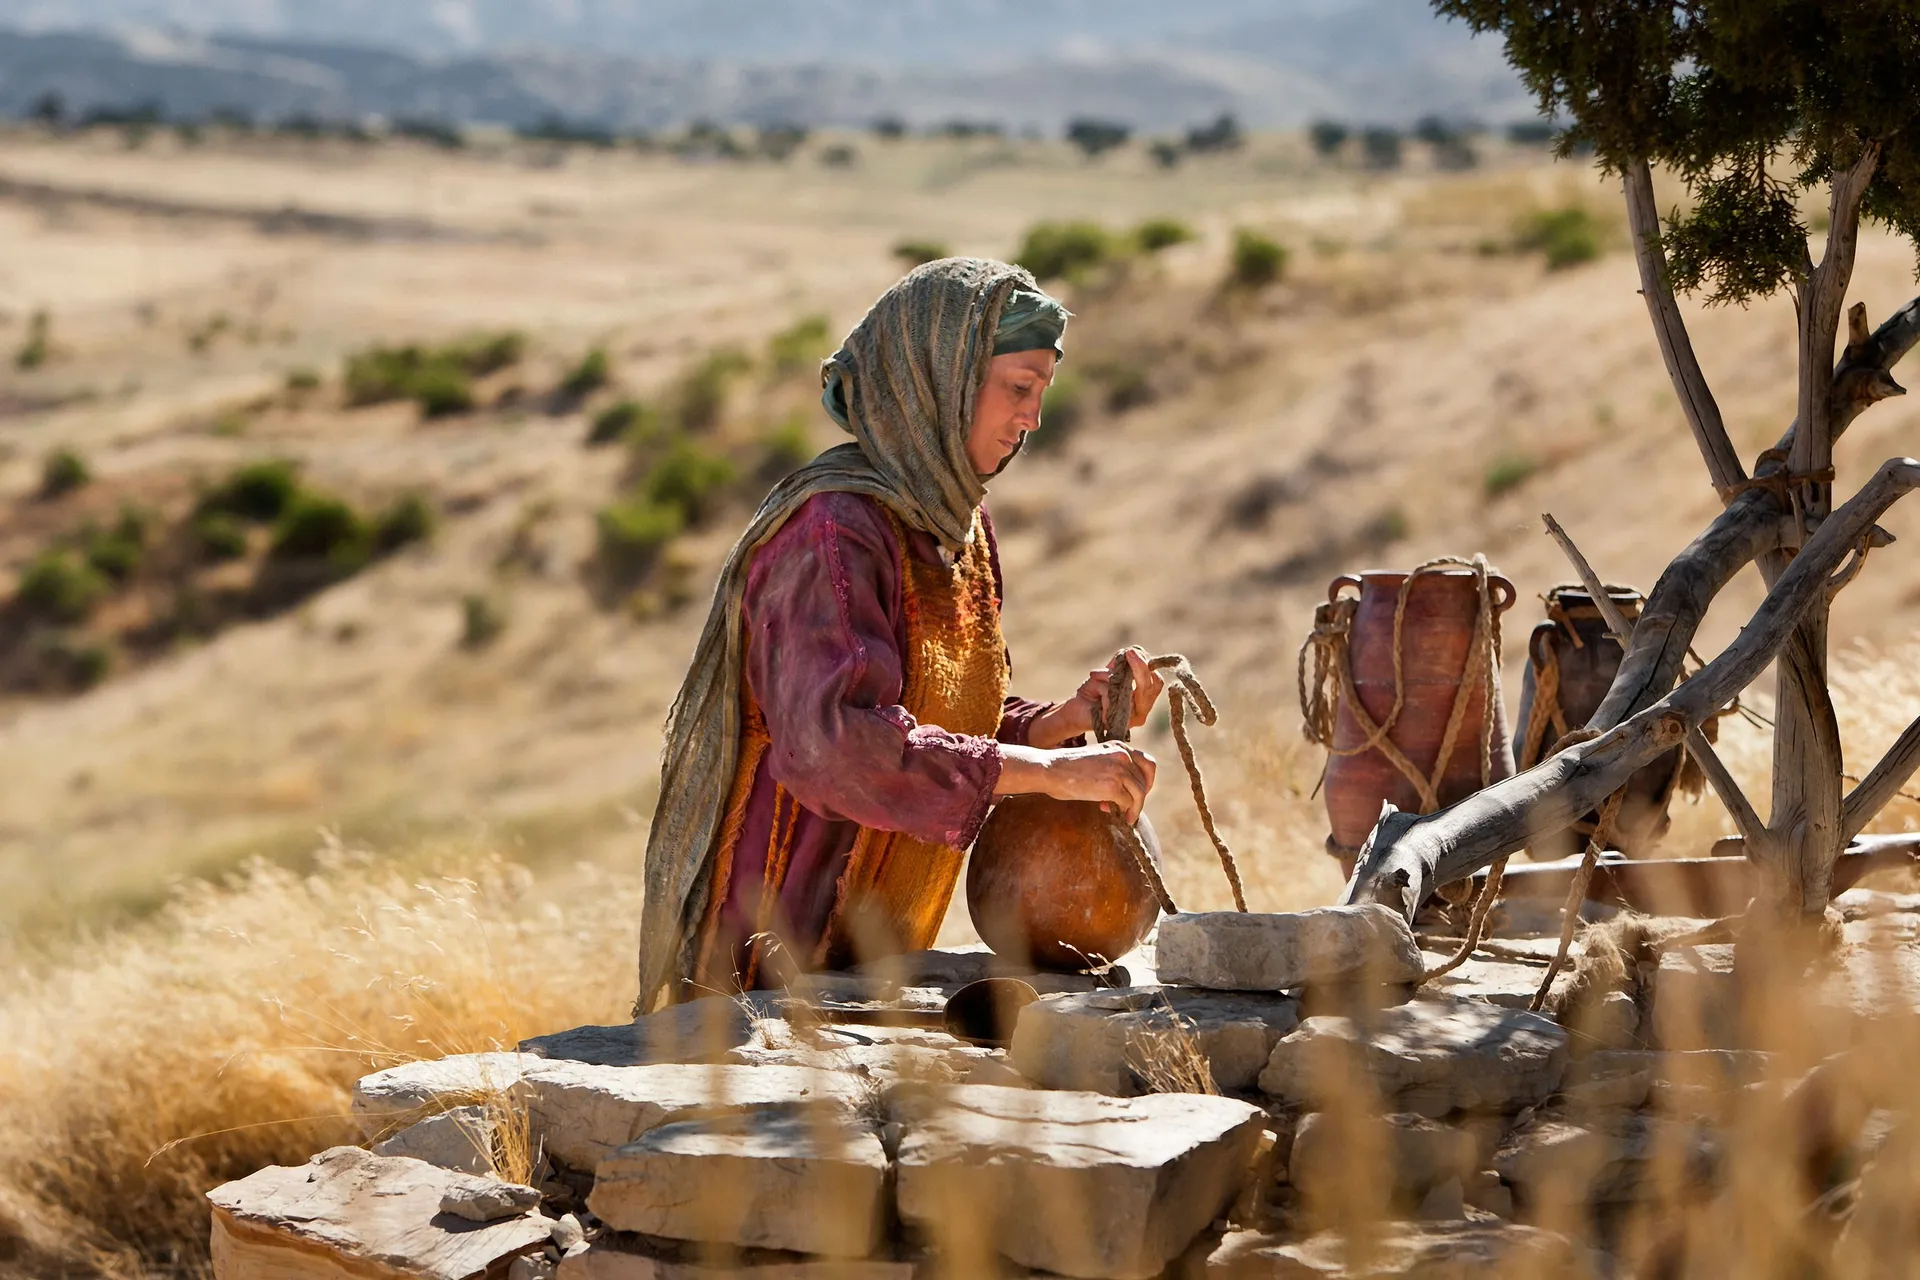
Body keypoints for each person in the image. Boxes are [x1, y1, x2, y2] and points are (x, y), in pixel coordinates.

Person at [635, 257, 1162, 1012]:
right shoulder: (831, 531)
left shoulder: (958, 524)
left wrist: (1060, 725)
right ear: (938, 379)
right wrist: (1049, 775)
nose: (1032, 419)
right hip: (772, 944)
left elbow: (933, 713)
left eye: (1043, 393)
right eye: (1018, 387)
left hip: (871, 943)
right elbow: (839, 747)